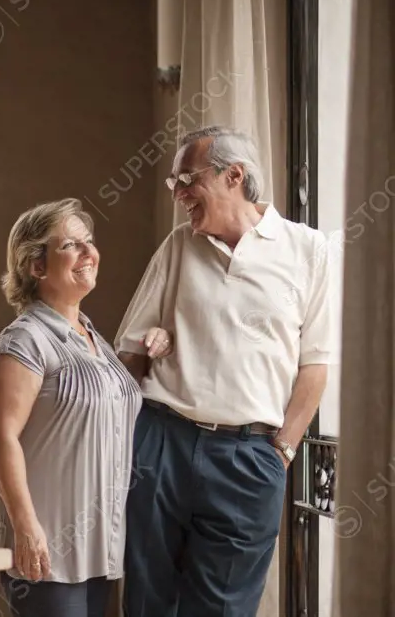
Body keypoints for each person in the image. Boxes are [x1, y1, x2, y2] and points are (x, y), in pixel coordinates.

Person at [115, 125, 333, 617]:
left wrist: (281, 451)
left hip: (250, 457)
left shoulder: (307, 250)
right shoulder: (178, 247)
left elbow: (315, 365)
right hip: (162, 444)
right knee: (149, 603)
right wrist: (126, 442)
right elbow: (129, 353)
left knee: (224, 610)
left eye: (186, 181)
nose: (179, 196)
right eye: (174, 186)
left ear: (234, 175)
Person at [0, 198, 170, 617]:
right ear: (36, 266)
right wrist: (26, 528)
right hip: (46, 545)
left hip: (95, 544)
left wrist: (157, 344)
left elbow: (110, 409)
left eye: (90, 242)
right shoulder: (24, 340)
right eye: (72, 245)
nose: (90, 254)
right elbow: (0, 435)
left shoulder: (92, 338)